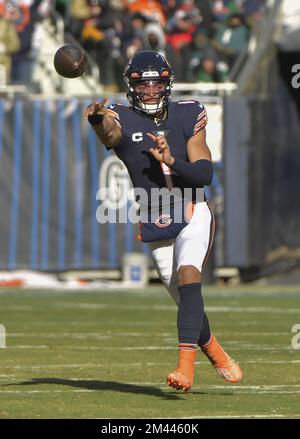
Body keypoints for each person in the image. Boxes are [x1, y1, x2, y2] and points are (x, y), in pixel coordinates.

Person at [84, 50, 242, 392]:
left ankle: (185, 370)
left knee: (189, 277)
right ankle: (215, 352)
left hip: (192, 209)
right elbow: (111, 135)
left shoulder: (189, 113)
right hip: (155, 218)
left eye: (157, 84)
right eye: (144, 85)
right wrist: (97, 119)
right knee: (186, 302)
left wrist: (172, 159)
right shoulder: (121, 117)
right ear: (132, 88)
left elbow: (204, 173)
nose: (152, 91)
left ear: (168, 84)